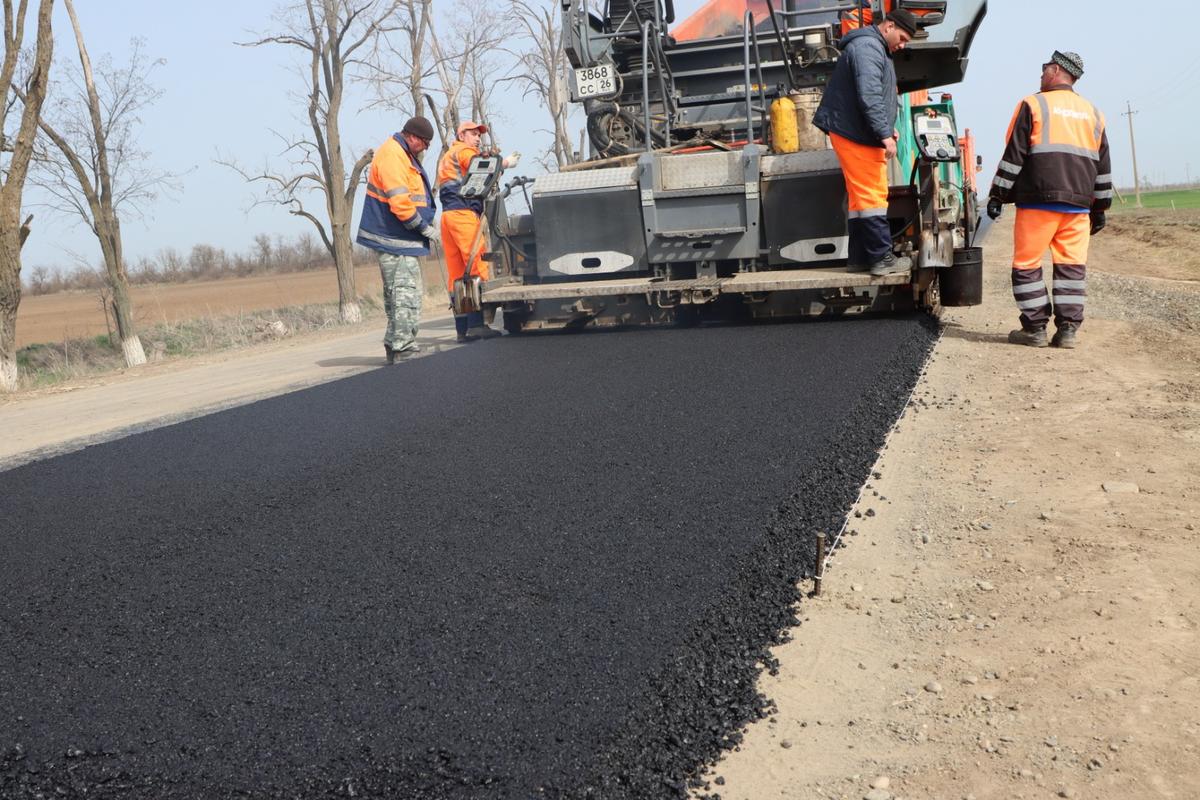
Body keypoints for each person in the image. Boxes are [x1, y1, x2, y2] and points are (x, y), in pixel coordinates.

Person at [986, 51, 1111, 349]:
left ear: (1056, 70)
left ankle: (1035, 328)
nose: (1041, 75)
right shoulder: (1093, 112)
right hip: (1079, 206)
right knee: (1072, 267)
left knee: (1027, 264)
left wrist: (998, 195)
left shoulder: (1033, 104)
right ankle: (1067, 330)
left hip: (1038, 203)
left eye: (1044, 69)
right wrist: (1100, 207)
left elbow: (1015, 155)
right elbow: (1102, 164)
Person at [812, 9, 918, 276]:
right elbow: (869, 94)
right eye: (902, 37)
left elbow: (876, 95)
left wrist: (887, 127)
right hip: (856, 133)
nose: (902, 45)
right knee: (872, 196)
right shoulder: (869, 48)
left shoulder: (873, 47)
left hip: (855, 131)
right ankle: (882, 259)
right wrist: (883, 133)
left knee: (861, 200)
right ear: (888, 26)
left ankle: (860, 259)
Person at [356, 116, 439, 365]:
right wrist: (424, 229)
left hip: (400, 238)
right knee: (405, 293)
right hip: (394, 237)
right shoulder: (393, 155)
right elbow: (401, 204)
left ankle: (396, 345)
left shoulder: (402, 154)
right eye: (424, 142)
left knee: (397, 293)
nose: (425, 148)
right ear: (412, 136)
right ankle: (403, 347)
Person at [436, 121, 519, 342]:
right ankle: (477, 324)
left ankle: (461, 329)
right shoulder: (464, 151)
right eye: (473, 134)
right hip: (463, 214)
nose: (477, 138)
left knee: (456, 274)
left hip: (447, 217)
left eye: (478, 135)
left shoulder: (447, 156)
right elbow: (481, 167)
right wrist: (505, 163)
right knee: (476, 266)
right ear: (461, 135)